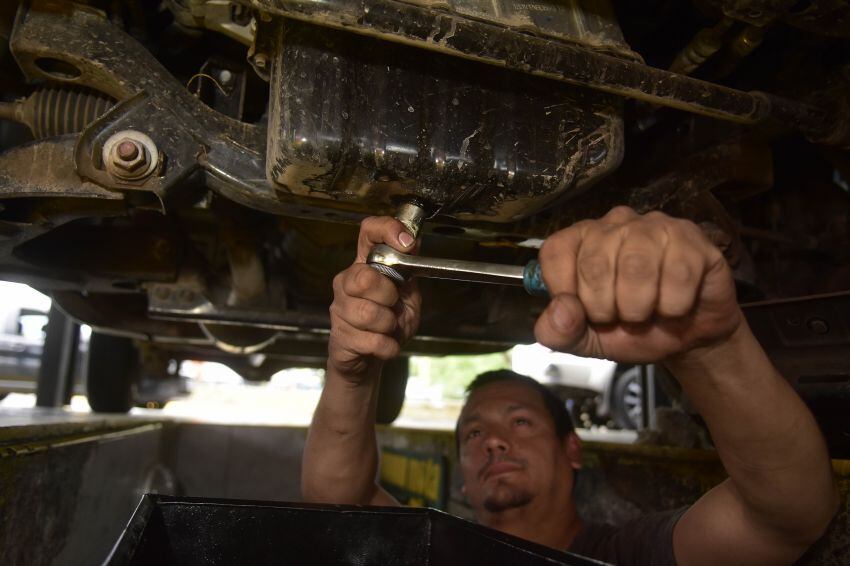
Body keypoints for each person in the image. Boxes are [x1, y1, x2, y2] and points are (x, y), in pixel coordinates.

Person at [301, 206, 839, 565]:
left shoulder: (627, 555)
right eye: (472, 434)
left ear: (572, 449)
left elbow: (788, 513)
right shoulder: (441, 550)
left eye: (520, 421)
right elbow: (337, 506)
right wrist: (352, 366)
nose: (492, 441)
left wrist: (707, 349)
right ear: (463, 480)